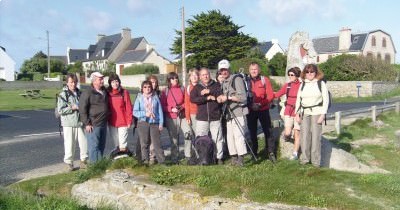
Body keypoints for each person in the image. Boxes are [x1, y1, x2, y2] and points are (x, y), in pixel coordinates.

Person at [295, 64, 329, 167]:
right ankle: (305, 159)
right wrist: (297, 114)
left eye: (312, 72)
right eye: (307, 72)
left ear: (316, 73)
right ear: (304, 73)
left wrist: (323, 115)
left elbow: (325, 100)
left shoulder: (321, 84)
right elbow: (298, 100)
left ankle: (315, 162)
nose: (309, 74)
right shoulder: (302, 84)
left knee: (316, 137)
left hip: (317, 113)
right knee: (304, 137)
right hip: (305, 113)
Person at [217, 59, 249, 166]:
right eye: (221, 70)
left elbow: (243, 97)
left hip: (238, 112)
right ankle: (234, 158)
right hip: (228, 114)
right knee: (230, 138)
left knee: (238, 136)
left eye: (225, 69)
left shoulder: (237, 79)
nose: (224, 72)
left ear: (229, 69)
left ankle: (241, 159)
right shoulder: (224, 82)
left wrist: (228, 97)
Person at [191, 67, 224, 165]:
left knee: (218, 138)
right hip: (202, 118)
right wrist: (204, 97)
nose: (205, 76)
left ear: (209, 75)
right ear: (200, 77)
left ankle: (219, 158)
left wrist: (210, 93)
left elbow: (220, 96)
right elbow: (193, 99)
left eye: (207, 74)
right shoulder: (197, 87)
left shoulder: (216, 85)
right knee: (200, 140)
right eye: (203, 75)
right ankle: (201, 158)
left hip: (215, 116)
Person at [57, 73, 88, 171]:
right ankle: (69, 163)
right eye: (71, 82)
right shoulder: (63, 95)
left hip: (80, 122)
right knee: (69, 144)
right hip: (69, 123)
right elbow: (60, 110)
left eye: (74, 82)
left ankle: (84, 161)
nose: (73, 84)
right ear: (67, 83)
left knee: (84, 143)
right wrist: (72, 107)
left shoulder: (80, 93)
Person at [246, 62, 275, 162]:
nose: (254, 71)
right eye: (252, 69)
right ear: (249, 71)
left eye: (255, 69)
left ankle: (270, 152)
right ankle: (254, 152)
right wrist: (251, 105)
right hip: (250, 110)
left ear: (259, 70)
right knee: (252, 132)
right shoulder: (245, 81)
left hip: (263, 109)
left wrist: (259, 104)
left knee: (268, 131)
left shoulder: (264, 80)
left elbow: (270, 95)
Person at [79, 71, 109, 163]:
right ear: (94, 81)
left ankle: (99, 165)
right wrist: (87, 123)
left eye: (102, 79)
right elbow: (82, 108)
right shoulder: (87, 92)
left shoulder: (104, 91)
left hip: (103, 123)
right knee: (93, 147)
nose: (102, 81)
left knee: (101, 146)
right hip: (93, 124)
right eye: (100, 79)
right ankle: (93, 167)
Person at [160, 72, 190, 163]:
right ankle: (174, 158)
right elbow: (162, 106)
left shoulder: (182, 89)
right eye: (173, 78)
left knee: (188, 134)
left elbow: (187, 102)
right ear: (169, 80)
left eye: (176, 78)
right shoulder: (165, 91)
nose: (175, 80)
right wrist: (171, 109)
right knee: (174, 138)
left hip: (182, 116)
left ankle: (188, 155)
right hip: (171, 117)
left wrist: (182, 107)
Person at [133, 81, 165, 165]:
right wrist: (144, 114)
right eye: (145, 87)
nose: (147, 89)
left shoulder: (155, 97)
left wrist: (161, 123)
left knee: (157, 143)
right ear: (142, 89)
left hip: (154, 122)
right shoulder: (139, 97)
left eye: (149, 87)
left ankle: (161, 161)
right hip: (143, 122)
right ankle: (145, 161)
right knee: (144, 143)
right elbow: (135, 112)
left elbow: (160, 111)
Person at [274, 67, 302, 160]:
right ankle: (286, 137)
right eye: (289, 75)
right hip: (288, 110)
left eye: (292, 75)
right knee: (287, 132)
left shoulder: (302, 85)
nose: (290, 76)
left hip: (298, 111)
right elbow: (278, 94)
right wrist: (267, 95)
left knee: (296, 133)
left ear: (297, 75)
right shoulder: (287, 85)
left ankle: (295, 153)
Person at [107, 73, 133, 154]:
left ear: (119, 82)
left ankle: (124, 160)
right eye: (113, 82)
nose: (115, 83)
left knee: (123, 144)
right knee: (116, 144)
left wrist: (129, 121)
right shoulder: (107, 93)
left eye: (116, 81)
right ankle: (119, 159)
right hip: (112, 122)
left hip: (123, 122)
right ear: (110, 83)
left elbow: (128, 107)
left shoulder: (124, 92)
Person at [184, 69, 199, 138]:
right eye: (192, 75)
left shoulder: (201, 86)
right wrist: (187, 117)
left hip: (202, 113)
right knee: (195, 135)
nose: (194, 77)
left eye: (196, 75)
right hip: (193, 114)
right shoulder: (188, 88)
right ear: (189, 77)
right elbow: (187, 103)